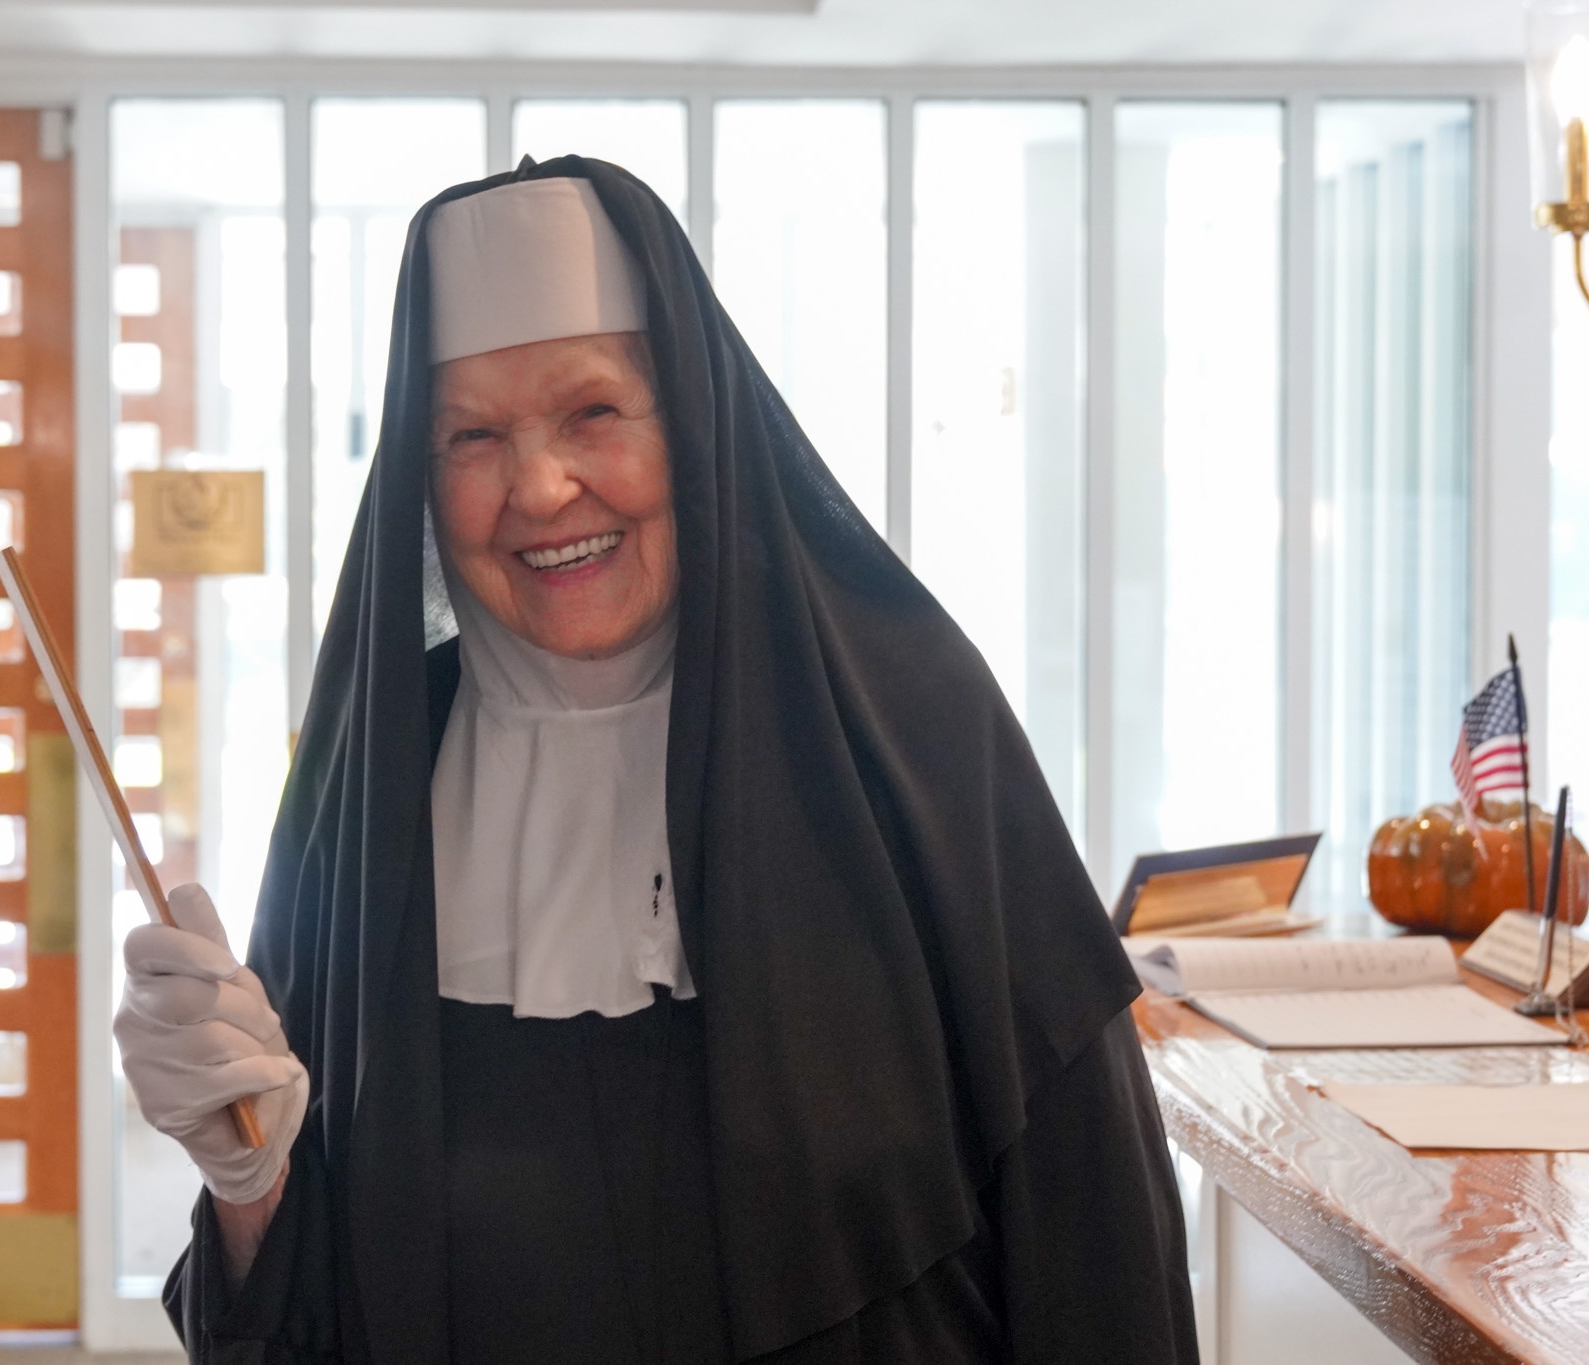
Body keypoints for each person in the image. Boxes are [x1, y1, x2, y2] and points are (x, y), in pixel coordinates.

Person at [113, 157, 1198, 1364]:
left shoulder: (914, 737)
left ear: (692, 422)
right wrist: (244, 1176)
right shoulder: (369, 790)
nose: (537, 486)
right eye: (471, 435)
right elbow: (294, 1321)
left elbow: (1093, 1238)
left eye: (590, 413)